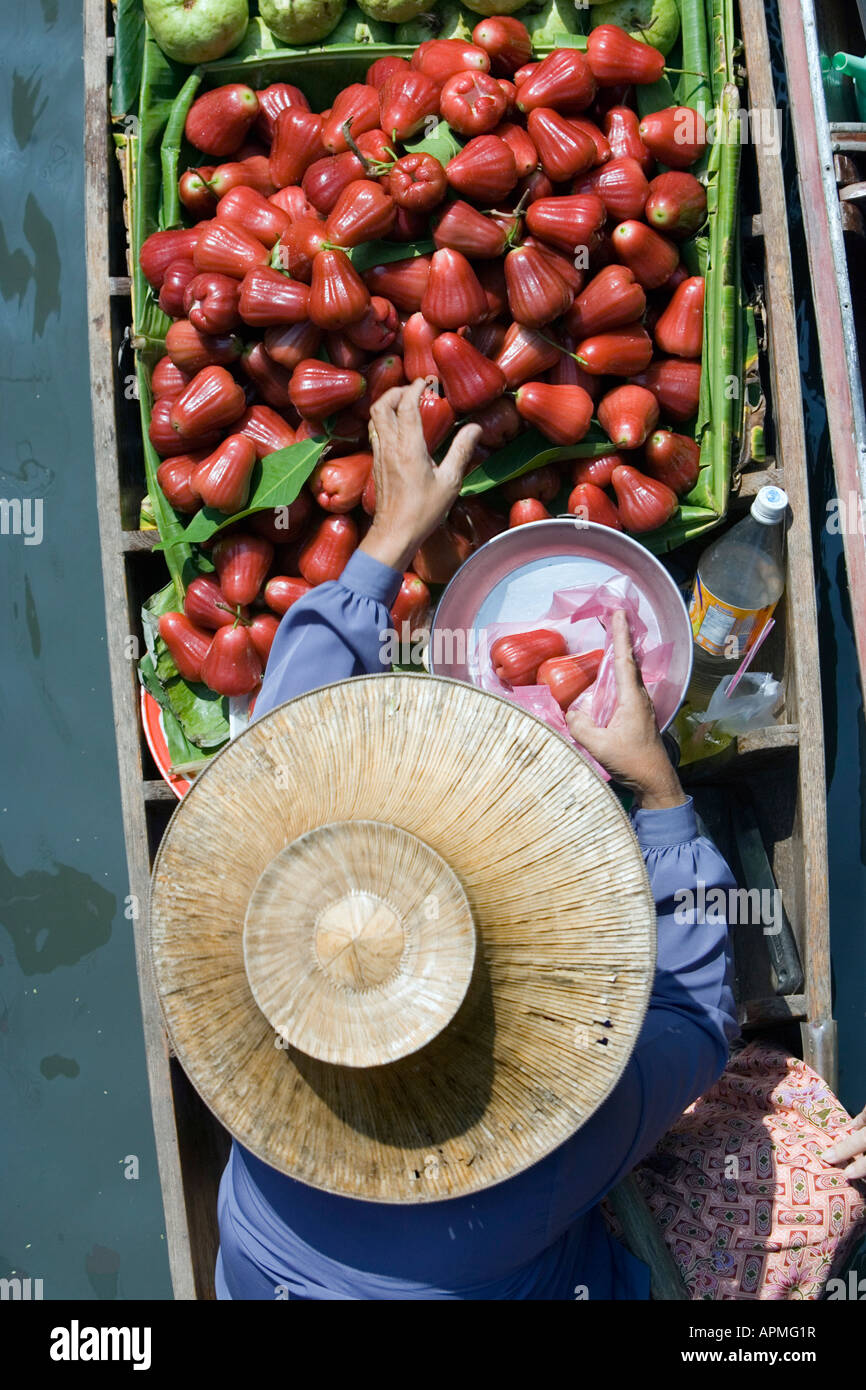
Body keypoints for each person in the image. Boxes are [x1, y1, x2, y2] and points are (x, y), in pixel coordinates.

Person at [214, 378, 740, 1301]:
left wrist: (386, 539)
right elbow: (698, 1018)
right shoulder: (543, 1156)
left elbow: (284, 756)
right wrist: (656, 789)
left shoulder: (260, 1025)